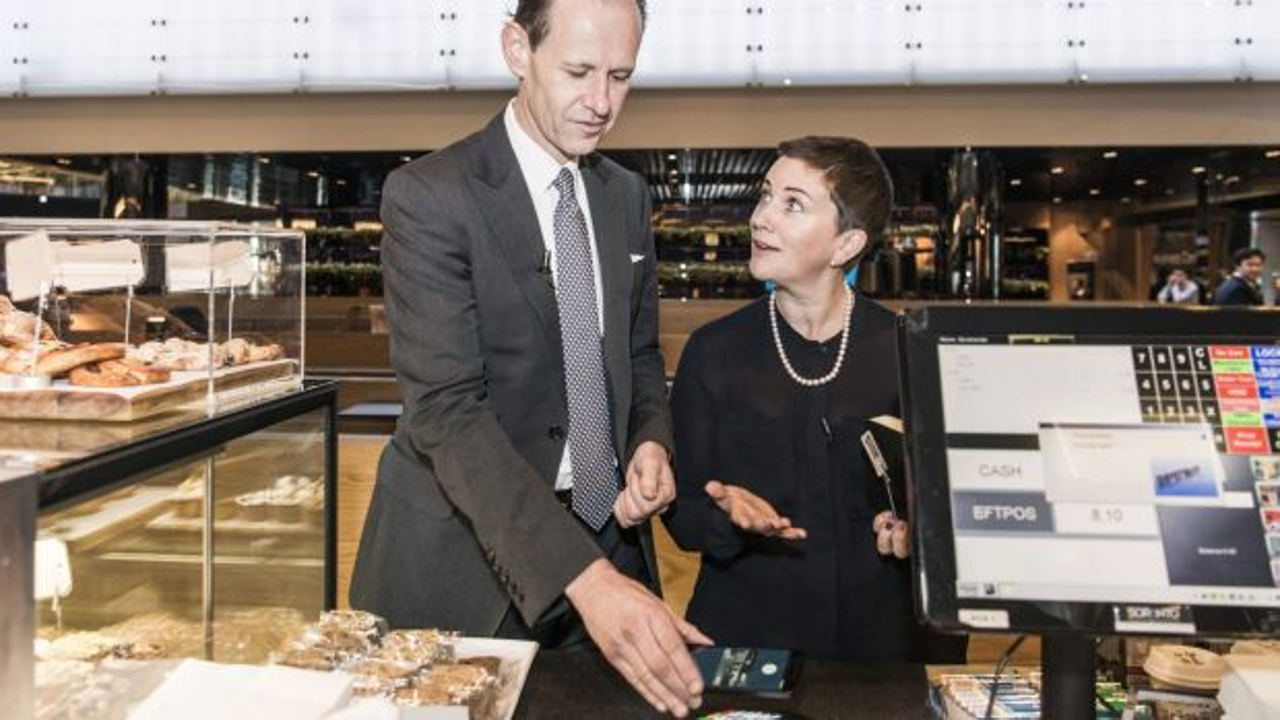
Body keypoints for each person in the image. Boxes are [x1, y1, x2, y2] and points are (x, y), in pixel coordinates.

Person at [349, 1, 708, 715]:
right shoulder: (429, 196)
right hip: (464, 562)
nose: (602, 102)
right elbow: (446, 412)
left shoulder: (625, 196)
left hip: (609, 541)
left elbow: (638, 355)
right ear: (518, 49)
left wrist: (650, 441)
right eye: (578, 71)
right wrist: (586, 577)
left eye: (621, 76)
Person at [664, 136, 966, 662]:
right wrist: (726, 518)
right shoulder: (713, 352)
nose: (761, 218)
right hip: (748, 640)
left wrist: (920, 532)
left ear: (845, 245)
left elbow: (959, 505)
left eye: (792, 204)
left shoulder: (906, 350)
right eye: (765, 196)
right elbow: (681, 514)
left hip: (887, 650)